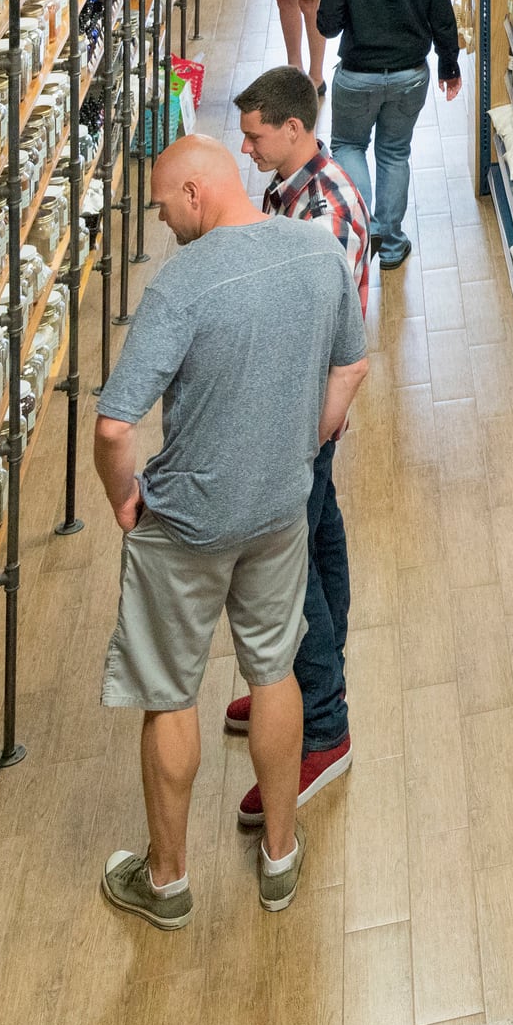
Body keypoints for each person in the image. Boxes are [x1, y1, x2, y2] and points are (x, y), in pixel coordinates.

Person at [94, 136, 368, 930]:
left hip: (185, 523)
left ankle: (168, 880)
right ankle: (280, 857)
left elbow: (116, 427)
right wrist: (305, 446)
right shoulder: (317, 254)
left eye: (161, 206)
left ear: (192, 195)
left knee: (169, 693)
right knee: (273, 669)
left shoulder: (182, 285)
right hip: (279, 510)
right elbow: (351, 367)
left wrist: (122, 502)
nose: (161, 220)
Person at [227, 66, 369, 829]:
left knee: (292, 565)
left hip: (305, 413)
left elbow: (315, 327)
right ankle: (310, 684)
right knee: (321, 536)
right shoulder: (291, 189)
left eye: (255, 135)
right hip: (305, 409)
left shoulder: (325, 212)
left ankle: (320, 725)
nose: (246, 148)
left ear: (292, 128)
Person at [317, 0, 463, 271]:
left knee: (349, 147)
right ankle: (392, 242)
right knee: (395, 153)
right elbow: (443, 20)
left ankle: (361, 235)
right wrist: (450, 67)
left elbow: (327, 25)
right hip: (410, 75)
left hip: (357, 75)